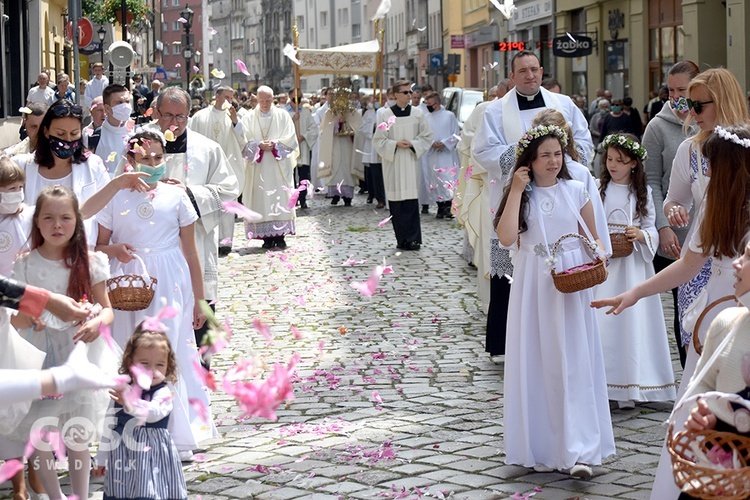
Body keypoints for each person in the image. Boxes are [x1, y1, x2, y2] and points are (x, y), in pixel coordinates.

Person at [592, 123, 750, 500]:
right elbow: (687, 266)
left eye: (711, 164)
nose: (706, 172)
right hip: (715, 313)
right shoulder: (714, 199)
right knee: (699, 406)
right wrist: (634, 293)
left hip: (740, 311)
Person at [494, 124, 613, 479]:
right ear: (529, 160)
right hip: (534, 283)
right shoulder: (523, 193)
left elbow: (593, 238)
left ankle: (578, 448)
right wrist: (516, 189)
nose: (552, 161)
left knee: (573, 361)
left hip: (570, 280)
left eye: (557, 154)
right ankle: (540, 445)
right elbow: (504, 239)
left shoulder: (577, 189)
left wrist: (597, 258)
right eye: (544, 155)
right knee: (538, 361)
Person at [96, 129, 213, 453]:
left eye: (158, 158)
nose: (152, 163)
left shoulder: (175, 196)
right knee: (127, 349)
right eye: (144, 158)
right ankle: (122, 434)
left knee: (170, 347)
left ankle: (178, 434)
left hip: (169, 279)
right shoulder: (116, 196)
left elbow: (191, 251)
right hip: (128, 281)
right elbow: (98, 245)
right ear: (130, 159)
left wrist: (199, 300)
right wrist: (114, 248)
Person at [473, 49, 593, 358]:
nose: (530, 75)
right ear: (512, 76)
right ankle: (506, 345)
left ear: (541, 71)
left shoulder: (563, 104)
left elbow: (584, 142)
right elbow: (484, 151)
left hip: (559, 197)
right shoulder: (496, 111)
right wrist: (527, 153)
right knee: (514, 269)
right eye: (523, 70)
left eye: (535, 69)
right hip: (518, 198)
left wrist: (555, 158)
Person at [10, 185, 115, 500]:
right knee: (39, 430)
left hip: (79, 353)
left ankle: (80, 495)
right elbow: (14, 317)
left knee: (77, 431)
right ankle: (55, 496)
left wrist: (97, 321)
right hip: (40, 356)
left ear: (77, 221)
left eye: (66, 218)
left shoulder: (91, 261)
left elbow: (107, 309)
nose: (57, 225)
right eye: (49, 218)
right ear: (37, 222)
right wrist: (29, 318)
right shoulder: (26, 264)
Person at [663, 68, 749, 381]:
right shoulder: (690, 150)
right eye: (688, 105)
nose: (691, 113)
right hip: (700, 261)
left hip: (741, 262)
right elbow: (674, 198)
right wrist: (673, 211)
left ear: (722, 102)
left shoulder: (746, 146)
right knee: (699, 349)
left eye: (699, 105)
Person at [593, 133, 676, 408]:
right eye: (610, 159)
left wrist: (641, 235)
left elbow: (651, 226)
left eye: (620, 160)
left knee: (634, 323)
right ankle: (605, 385)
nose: (613, 165)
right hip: (607, 268)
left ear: (634, 165)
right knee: (605, 323)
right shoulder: (598, 189)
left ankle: (637, 384)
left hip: (633, 268)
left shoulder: (642, 194)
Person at [642, 60, 700, 369]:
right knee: (684, 309)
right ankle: (688, 372)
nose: (676, 96)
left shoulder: (712, 121)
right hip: (675, 239)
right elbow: (651, 180)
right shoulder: (657, 127)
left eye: (683, 90)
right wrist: (662, 225)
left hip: (710, 232)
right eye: (671, 90)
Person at [93, 326, 188, 500]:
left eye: (160, 365)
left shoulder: (164, 392)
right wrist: (100, 458)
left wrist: (131, 403)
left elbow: (154, 413)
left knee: (148, 490)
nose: (152, 370)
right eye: (144, 364)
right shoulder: (122, 390)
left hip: (151, 455)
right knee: (122, 491)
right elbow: (109, 425)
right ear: (130, 364)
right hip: (122, 453)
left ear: (168, 367)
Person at [12, 100, 111, 243]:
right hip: (34, 254)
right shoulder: (22, 166)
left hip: (81, 254)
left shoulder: (93, 166)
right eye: (61, 133)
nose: (68, 140)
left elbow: (107, 214)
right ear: (46, 131)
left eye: (74, 133)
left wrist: (101, 248)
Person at [373, 79, 434, 251]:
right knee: (397, 203)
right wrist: (394, 144)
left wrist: (414, 143)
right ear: (395, 95)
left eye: (410, 92)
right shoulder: (386, 115)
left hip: (411, 161)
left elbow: (427, 135)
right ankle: (401, 239)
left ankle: (414, 239)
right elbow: (378, 140)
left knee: (411, 202)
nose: (409, 95)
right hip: (394, 162)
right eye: (405, 92)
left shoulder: (417, 114)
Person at [189, 86, 246, 255]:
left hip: (228, 166)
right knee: (207, 201)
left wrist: (236, 122)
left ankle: (225, 240)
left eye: (231, 97)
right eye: (226, 96)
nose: (229, 100)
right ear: (217, 96)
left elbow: (243, 140)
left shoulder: (234, 116)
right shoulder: (200, 116)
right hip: (206, 165)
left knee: (227, 201)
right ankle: (208, 236)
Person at [241, 85, 299, 249]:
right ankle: (265, 237)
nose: (265, 103)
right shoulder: (249, 118)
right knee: (261, 198)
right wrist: (258, 145)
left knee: (279, 197)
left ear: (273, 99)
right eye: (261, 100)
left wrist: (275, 145)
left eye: (268, 100)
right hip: (258, 168)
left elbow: (291, 138)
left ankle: (280, 236)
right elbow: (243, 140)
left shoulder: (283, 116)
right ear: (256, 99)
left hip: (277, 167)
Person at [318, 88, 363, 206]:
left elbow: (359, 130)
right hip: (335, 144)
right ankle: (335, 195)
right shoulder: (330, 112)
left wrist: (348, 126)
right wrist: (337, 123)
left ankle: (347, 196)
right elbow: (324, 130)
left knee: (347, 168)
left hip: (348, 145)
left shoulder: (353, 112)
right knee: (335, 168)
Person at [421, 90, 460, 219]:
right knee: (434, 179)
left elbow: (455, 134)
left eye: (430, 104)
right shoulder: (426, 118)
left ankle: (448, 206)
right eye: (427, 103)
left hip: (446, 155)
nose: (428, 106)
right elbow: (423, 135)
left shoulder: (449, 116)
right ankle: (440, 206)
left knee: (447, 178)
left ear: (437, 103)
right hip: (432, 154)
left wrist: (444, 143)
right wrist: (432, 143)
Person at [287, 88, 318, 209]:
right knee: (291, 175)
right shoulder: (284, 112)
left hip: (303, 146)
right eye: (295, 95)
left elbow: (313, 129)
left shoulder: (305, 112)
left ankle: (303, 198)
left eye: (299, 95)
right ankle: (293, 198)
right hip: (290, 147)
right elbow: (280, 129)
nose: (297, 98)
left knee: (303, 175)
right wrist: (292, 120)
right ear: (290, 96)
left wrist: (304, 136)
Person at [96, 84, 135, 177]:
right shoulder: (94, 137)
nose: (125, 106)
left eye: (127, 101)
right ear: (107, 108)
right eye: (119, 102)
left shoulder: (137, 133)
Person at [358, 94, 387, 209]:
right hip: (373, 147)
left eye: (382, 98)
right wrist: (373, 127)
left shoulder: (387, 112)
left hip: (385, 146)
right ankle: (379, 198)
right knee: (376, 175)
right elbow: (362, 128)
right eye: (375, 99)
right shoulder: (369, 113)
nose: (378, 101)